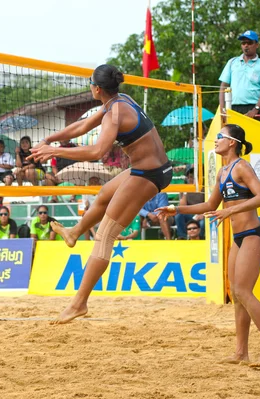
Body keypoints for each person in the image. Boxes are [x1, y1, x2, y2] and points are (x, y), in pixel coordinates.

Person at [29, 64, 173, 324]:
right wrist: (49, 140)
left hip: (149, 174)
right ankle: (74, 233)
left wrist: (56, 152)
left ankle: (78, 304)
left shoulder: (114, 115)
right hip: (148, 168)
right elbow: (81, 127)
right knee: (105, 193)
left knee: (105, 234)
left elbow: (97, 152)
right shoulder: (118, 101)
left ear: (96, 88)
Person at [156, 124, 260, 367]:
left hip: (253, 235)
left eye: (219, 137)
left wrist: (231, 209)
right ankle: (241, 352)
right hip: (239, 237)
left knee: (244, 292)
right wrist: (176, 209)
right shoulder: (222, 172)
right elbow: (209, 205)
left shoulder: (242, 167)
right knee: (236, 294)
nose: (215, 141)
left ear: (232, 142)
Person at [219, 30, 260, 123]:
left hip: (253, 108)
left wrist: (255, 109)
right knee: (234, 137)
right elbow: (223, 86)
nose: (246, 45)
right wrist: (222, 108)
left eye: (249, 43)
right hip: (233, 108)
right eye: (243, 43)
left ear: (257, 45)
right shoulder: (232, 62)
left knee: (254, 137)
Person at [176, 167, 205, 239]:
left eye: (191, 177)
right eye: (188, 177)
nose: (189, 179)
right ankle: (183, 237)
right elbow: (182, 207)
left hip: (202, 212)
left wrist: (202, 214)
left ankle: (199, 238)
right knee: (179, 216)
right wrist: (185, 192)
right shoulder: (184, 189)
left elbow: (208, 204)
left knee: (202, 223)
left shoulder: (204, 188)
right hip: (190, 213)